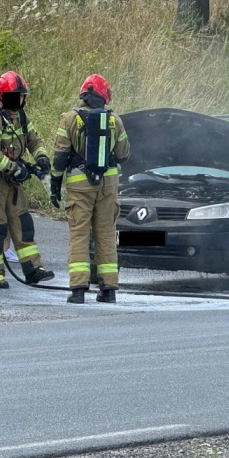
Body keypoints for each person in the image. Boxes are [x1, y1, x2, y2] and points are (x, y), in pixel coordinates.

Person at [50, 74, 130, 304]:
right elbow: (124, 154)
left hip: (79, 185)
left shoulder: (69, 119)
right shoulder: (115, 120)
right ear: (105, 97)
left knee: (79, 234)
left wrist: (55, 184)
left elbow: (60, 156)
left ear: (83, 95)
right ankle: (109, 289)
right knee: (105, 234)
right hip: (108, 184)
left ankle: (78, 289)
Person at [0, 71, 54, 288]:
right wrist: (14, 170)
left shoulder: (20, 116)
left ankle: (32, 269)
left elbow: (34, 140)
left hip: (11, 180)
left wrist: (42, 156)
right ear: (1, 95)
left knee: (22, 222)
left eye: (20, 95)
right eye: (14, 95)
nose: (18, 99)